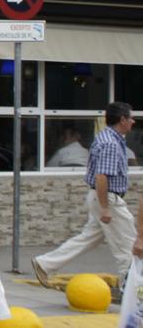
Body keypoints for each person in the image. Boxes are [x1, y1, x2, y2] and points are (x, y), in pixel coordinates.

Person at [33, 101, 137, 288]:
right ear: (122, 120)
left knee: (87, 239)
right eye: (130, 118)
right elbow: (102, 177)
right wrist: (105, 208)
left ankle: (45, 264)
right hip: (108, 198)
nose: (133, 121)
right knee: (128, 245)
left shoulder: (108, 137)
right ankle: (130, 289)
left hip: (103, 197)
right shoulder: (111, 143)